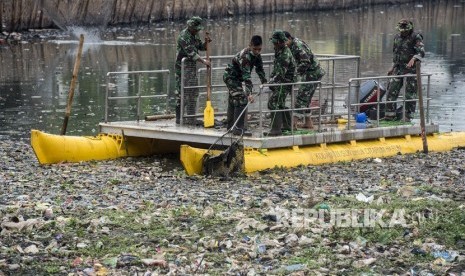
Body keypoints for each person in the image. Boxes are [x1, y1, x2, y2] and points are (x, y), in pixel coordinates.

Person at [223, 35, 267, 136]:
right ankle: (238, 129)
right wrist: (249, 94)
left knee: (233, 99)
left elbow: (260, 69)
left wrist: (264, 82)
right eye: (254, 49)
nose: (257, 51)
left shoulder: (257, 55)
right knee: (242, 99)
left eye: (259, 49)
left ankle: (231, 127)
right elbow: (247, 77)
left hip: (237, 78)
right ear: (250, 46)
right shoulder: (245, 57)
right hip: (231, 77)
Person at [385, 18, 425, 121]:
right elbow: (396, 54)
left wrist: (414, 58)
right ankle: (390, 115)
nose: (403, 32)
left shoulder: (416, 37)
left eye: (405, 30)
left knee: (409, 94)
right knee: (391, 91)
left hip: (410, 70)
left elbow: (421, 52)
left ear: (409, 29)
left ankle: (407, 116)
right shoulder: (397, 37)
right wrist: (393, 67)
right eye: (401, 30)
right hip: (398, 69)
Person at [284, 31, 325, 129]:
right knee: (306, 98)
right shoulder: (292, 45)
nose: (284, 44)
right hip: (311, 73)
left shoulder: (297, 45)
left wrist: (295, 74)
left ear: (289, 38)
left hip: (312, 73)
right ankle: (308, 123)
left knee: (301, 98)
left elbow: (305, 62)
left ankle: (292, 124)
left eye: (285, 41)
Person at [175, 16, 211, 125]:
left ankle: (191, 117)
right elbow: (191, 53)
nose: (197, 31)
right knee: (183, 93)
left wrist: (206, 43)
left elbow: (200, 47)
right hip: (182, 69)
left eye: (198, 29)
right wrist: (204, 61)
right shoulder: (183, 37)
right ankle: (179, 118)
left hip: (192, 68)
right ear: (191, 26)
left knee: (193, 91)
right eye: (196, 29)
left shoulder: (195, 35)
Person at [266, 30, 296, 136]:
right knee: (280, 103)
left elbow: (280, 74)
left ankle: (276, 130)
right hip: (281, 81)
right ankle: (287, 126)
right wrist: (270, 79)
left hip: (286, 82)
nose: (273, 44)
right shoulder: (279, 50)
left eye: (275, 42)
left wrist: (271, 82)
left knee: (273, 103)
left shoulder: (285, 54)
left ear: (279, 42)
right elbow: (276, 68)